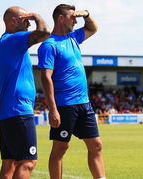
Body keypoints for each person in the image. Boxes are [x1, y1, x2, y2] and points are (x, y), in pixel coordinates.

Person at [38, 4, 106, 179]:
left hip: (84, 103)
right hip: (65, 106)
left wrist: (86, 14)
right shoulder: (48, 45)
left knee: (96, 145)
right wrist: (53, 109)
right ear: (61, 18)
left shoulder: (73, 37)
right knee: (60, 149)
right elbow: (46, 78)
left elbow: (93, 28)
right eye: (72, 17)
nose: (75, 20)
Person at [0, 6, 50, 179]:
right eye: (25, 20)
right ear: (13, 21)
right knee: (27, 162)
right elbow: (45, 32)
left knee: (9, 163)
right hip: (18, 111)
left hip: (7, 113)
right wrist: (37, 16)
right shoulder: (14, 39)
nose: (29, 24)